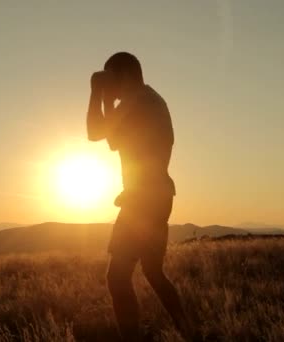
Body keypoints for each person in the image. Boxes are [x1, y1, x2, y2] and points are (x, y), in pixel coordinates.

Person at [86, 52, 187, 340]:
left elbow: (95, 132)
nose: (109, 89)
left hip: (142, 201)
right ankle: (189, 331)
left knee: (117, 279)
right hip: (156, 196)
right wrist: (107, 96)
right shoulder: (146, 101)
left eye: (110, 80)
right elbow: (114, 141)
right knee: (153, 273)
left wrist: (96, 91)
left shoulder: (139, 102)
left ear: (124, 76)